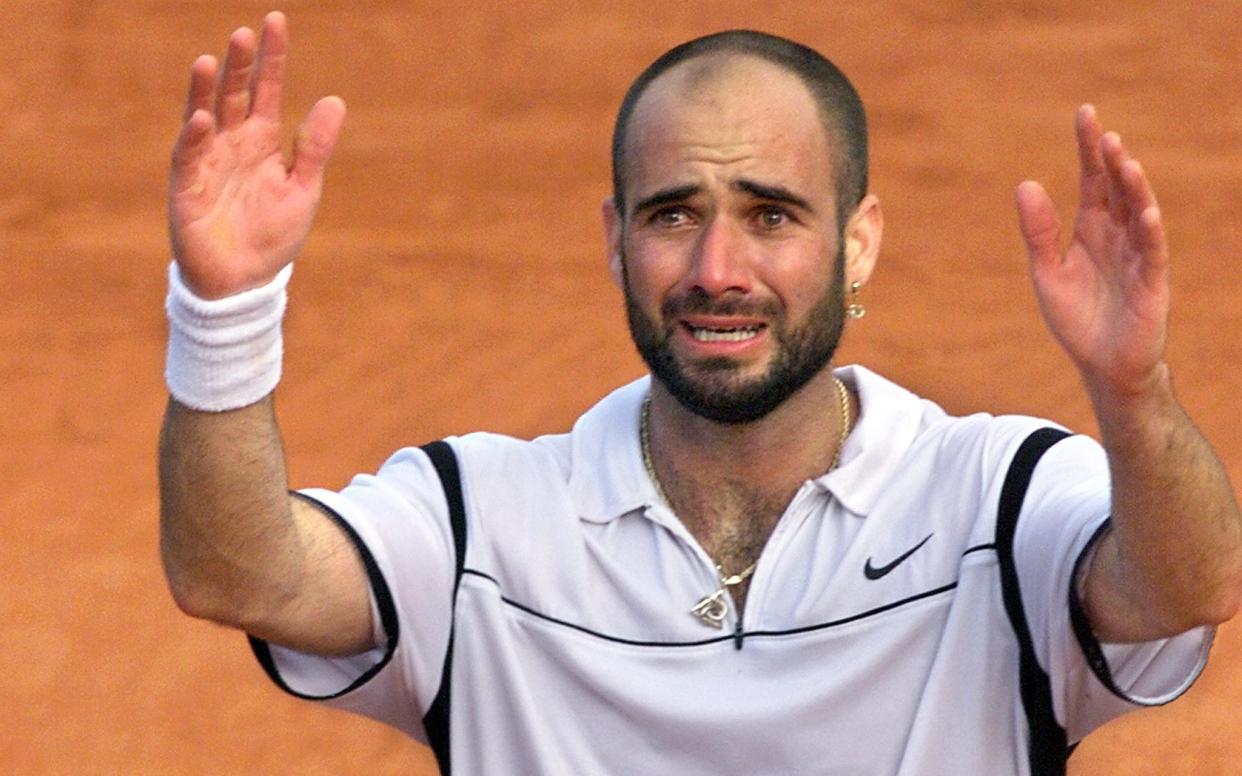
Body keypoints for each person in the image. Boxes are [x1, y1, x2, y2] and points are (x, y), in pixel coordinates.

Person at [158, 11, 1242, 776]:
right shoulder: (475, 520)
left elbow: (1188, 584)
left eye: (771, 213)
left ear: (859, 243)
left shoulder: (997, 502)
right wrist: (225, 312)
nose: (718, 268)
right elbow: (238, 575)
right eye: (673, 213)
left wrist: (1133, 389)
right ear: (614, 240)